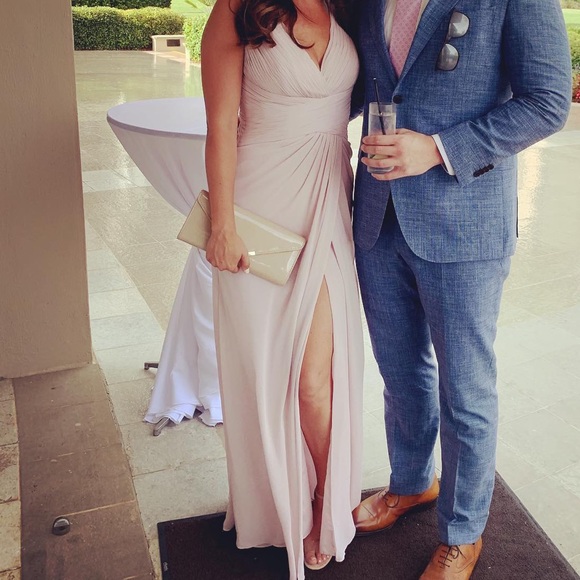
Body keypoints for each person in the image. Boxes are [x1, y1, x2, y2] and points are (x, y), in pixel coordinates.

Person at [351, 0, 572, 578]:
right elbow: (357, 82)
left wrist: (438, 148)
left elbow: (549, 101)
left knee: (465, 392)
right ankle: (410, 483)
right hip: (377, 215)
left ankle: (462, 532)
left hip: (464, 220)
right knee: (400, 374)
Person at [200, 0, 364, 577]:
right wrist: (223, 226)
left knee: (315, 379)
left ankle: (323, 495)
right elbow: (220, 124)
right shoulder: (236, 9)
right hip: (261, 205)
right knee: (269, 369)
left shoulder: (347, 7)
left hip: (330, 199)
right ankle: (281, 502)